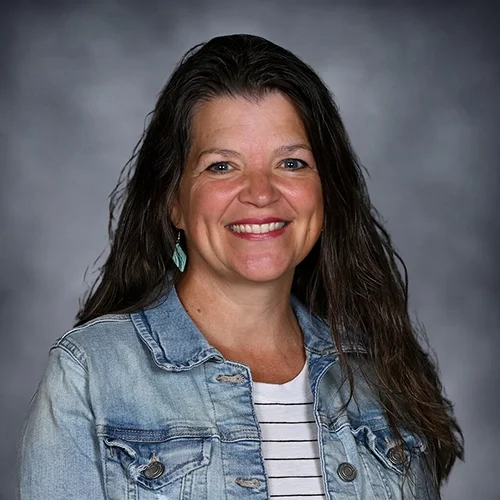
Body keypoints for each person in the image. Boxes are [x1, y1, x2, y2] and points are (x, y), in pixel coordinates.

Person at [17, 34, 463, 499]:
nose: (262, 192)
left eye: (291, 162)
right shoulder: (90, 375)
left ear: (326, 191)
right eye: (222, 166)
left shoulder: (379, 378)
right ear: (173, 200)